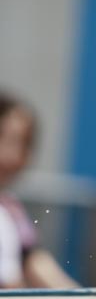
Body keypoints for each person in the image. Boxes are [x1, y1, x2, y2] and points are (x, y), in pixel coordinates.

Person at [0, 90, 78, 288]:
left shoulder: (10, 210)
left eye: (26, 144)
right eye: (8, 140)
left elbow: (41, 268)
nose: (16, 156)